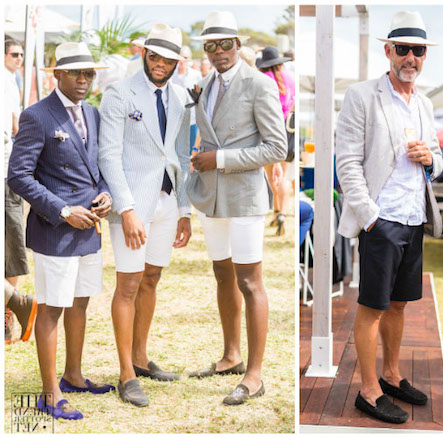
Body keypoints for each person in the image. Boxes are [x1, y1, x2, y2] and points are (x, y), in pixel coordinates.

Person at [335, 11, 443, 424]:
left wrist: (430, 158)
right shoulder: (363, 95)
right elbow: (347, 162)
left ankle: (392, 374)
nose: (410, 58)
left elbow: (437, 162)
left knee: (399, 305)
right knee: (373, 307)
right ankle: (368, 389)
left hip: (414, 217)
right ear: (388, 51)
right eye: (403, 49)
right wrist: (369, 217)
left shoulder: (426, 103)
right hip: (381, 219)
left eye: (418, 51)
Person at [8, 42, 115, 420]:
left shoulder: (94, 113)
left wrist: (104, 191)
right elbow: (17, 176)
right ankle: (50, 392)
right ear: (57, 74)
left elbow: (94, 166)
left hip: (89, 228)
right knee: (53, 308)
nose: (84, 79)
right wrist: (63, 209)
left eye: (89, 73)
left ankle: (73, 375)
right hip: (56, 230)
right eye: (76, 73)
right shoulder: (38, 115)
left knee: (80, 302)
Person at [186, 11, 287, 406]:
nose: (218, 52)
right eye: (210, 46)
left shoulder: (260, 85)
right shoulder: (205, 84)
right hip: (211, 198)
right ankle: (231, 356)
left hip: (244, 197)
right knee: (222, 277)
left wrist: (220, 159)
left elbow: (277, 148)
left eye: (225, 44)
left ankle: (255, 375)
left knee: (250, 282)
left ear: (239, 45)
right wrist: (202, 159)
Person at [98, 24, 192, 407]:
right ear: (145, 55)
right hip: (132, 207)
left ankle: (140, 357)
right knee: (128, 285)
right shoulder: (119, 92)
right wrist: (127, 209)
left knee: (151, 279)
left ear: (176, 63)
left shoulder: (182, 97)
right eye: (155, 56)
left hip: (168, 203)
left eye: (168, 59)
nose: (160, 64)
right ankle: (126, 374)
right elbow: (108, 155)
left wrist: (184, 209)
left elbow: (183, 155)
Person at [257, 46, 295, 236]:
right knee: (284, 176)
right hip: (288, 132)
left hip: (271, 131)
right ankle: (281, 213)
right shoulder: (289, 78)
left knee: (272, 176)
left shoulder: (265, 80)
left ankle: (277, 212)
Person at [4, 39, 28, 295]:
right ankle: (13, 304)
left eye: (21, 54)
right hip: (8, 167)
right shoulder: (7, 81)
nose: (19, 58)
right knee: (12, 234)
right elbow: (14, 125)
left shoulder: (12, 80)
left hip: (10, 164)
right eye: (14, 54)